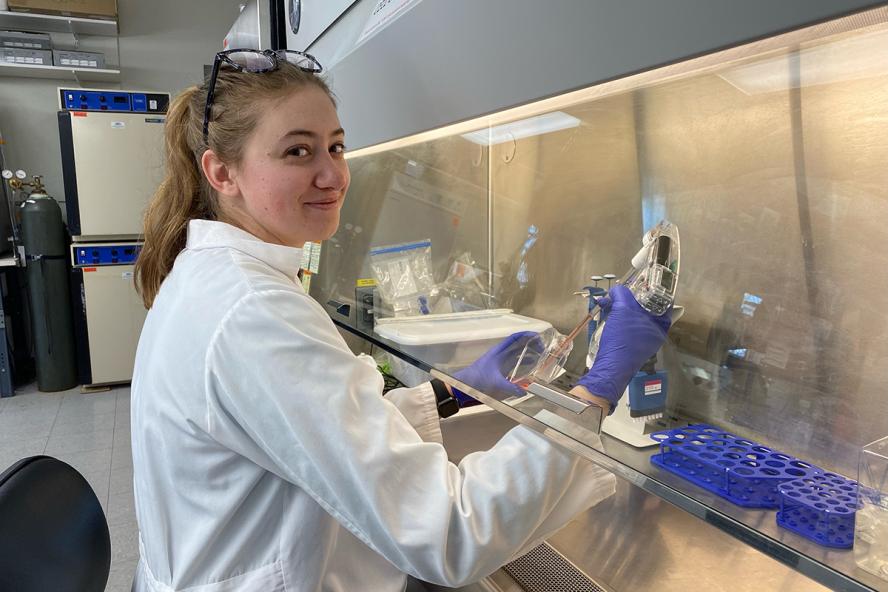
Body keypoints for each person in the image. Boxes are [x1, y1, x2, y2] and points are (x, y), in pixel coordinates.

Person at [130, 49, 670, 592]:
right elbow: (449, 534)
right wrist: (596, 390)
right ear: (222, 173)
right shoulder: (254, 311)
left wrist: (449, 394)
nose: (332, 175)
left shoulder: (214, 277)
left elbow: (317, 432)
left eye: (336, 147)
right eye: (297, 151)